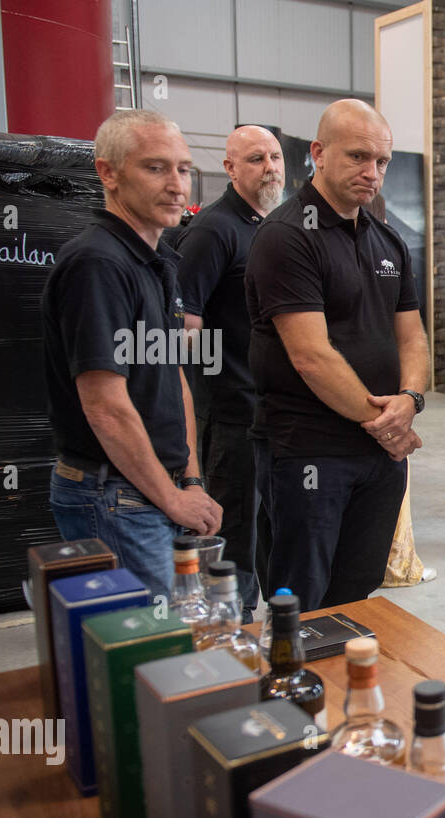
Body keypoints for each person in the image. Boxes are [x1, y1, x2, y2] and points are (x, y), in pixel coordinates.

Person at [245, 99, 429, 611]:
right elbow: (311, 357)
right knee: (301, 599)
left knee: (357, 593)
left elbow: (413, 338)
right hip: (310, 451)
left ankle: (344, 690)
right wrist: (388, 422)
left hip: (379, 457)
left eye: (383, 162)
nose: (373, 173)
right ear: (319, 154)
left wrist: (411, 398)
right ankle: (293, 691)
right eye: (358, 157)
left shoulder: (387, 241)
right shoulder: (285, 237)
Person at [43, 110, 222, 599]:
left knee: (166, 647)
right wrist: (171, 498)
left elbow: (175, 378)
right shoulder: (97, 264)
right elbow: (104, 405)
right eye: (155, 168)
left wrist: (190, 479)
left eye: (184, 169)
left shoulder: (157, 262)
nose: (176, 185)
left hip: (151, 492)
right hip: (114, 495)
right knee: (147, 657)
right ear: (109, 173)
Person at [174, 125, 284, 619]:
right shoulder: (214, 230)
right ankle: (231, 638)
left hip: (276, 412)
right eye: (256, 158)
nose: (270, 167)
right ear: (231, 167)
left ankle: (272, 629)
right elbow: (184, 328)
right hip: (233, 413)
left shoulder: (277, 225)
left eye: (276, 157)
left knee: (273, 530)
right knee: (235, 533)